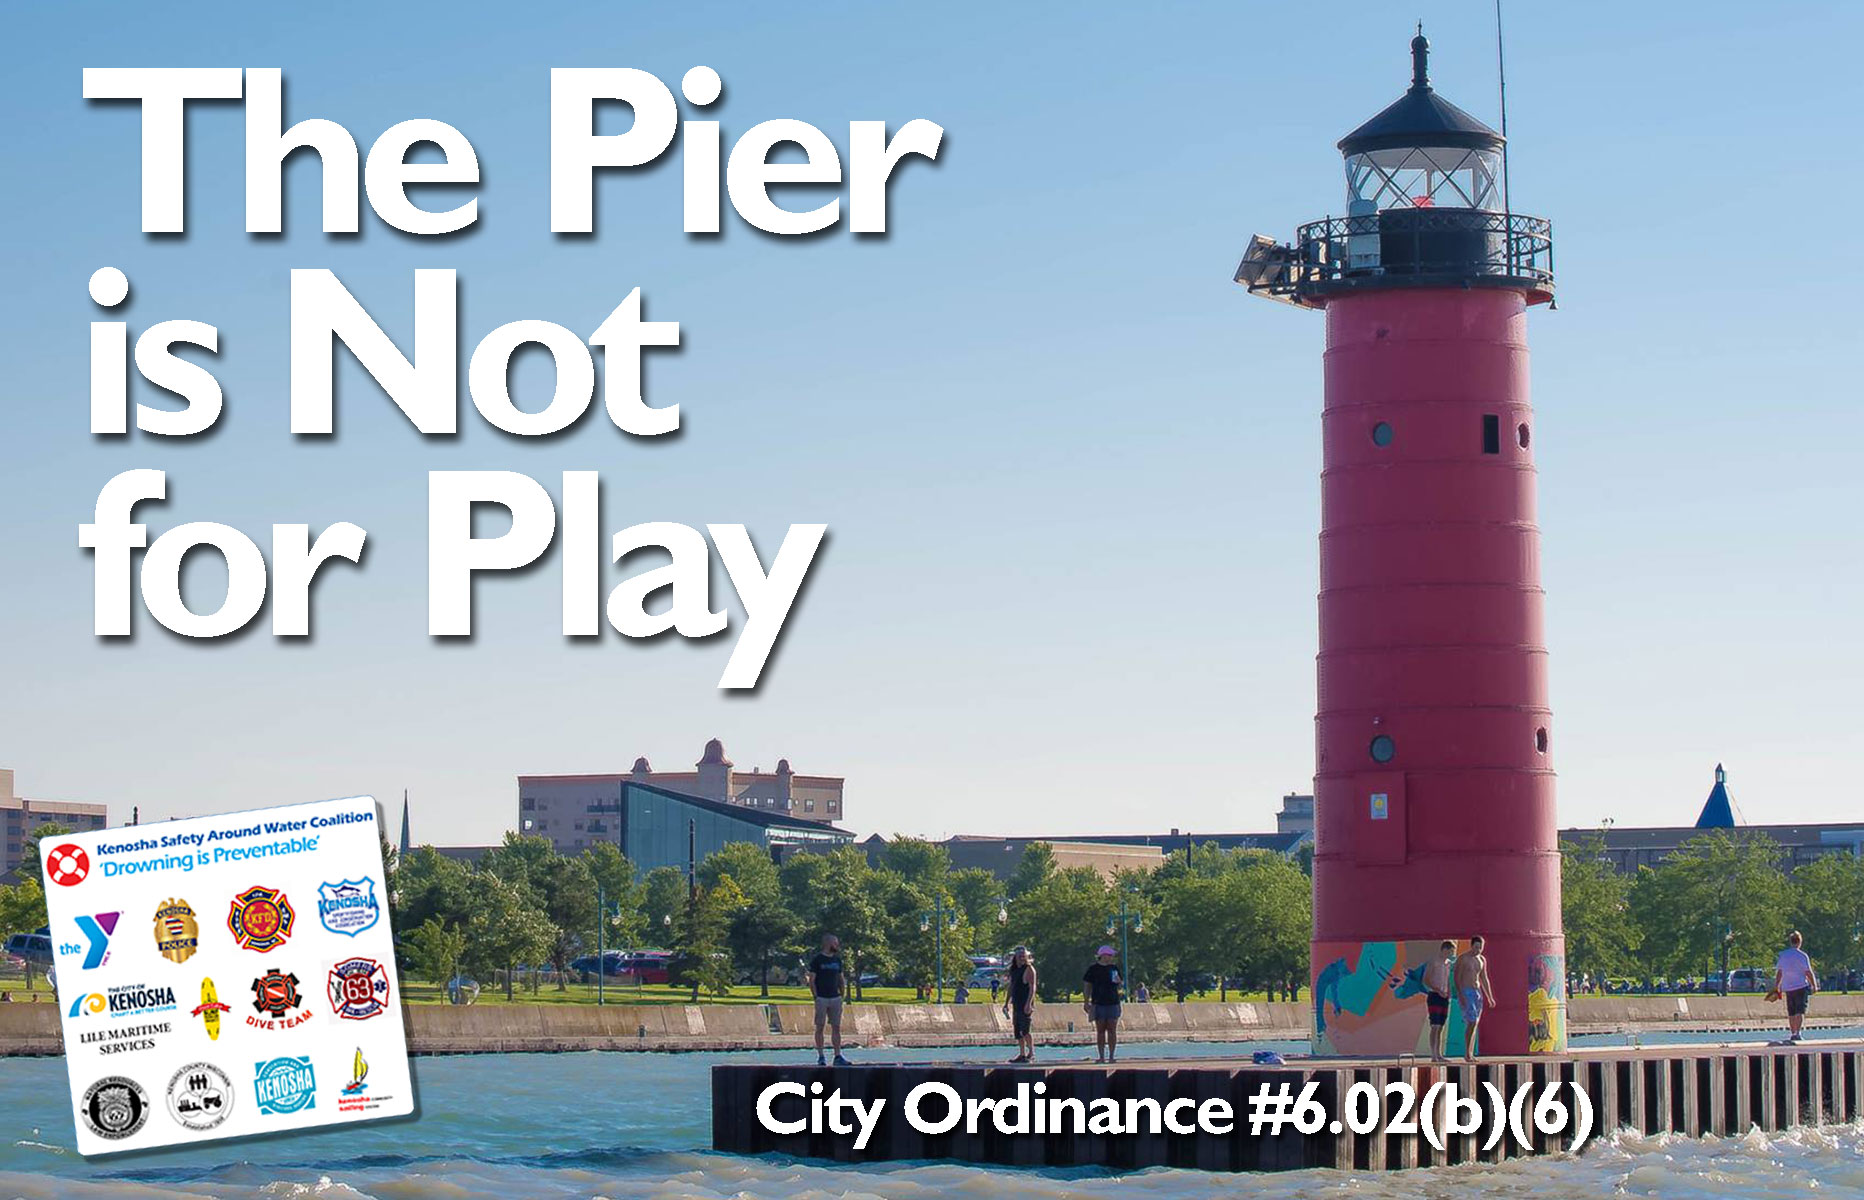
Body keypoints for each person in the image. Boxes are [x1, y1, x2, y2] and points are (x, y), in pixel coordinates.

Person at [809, 934, 850, 1066]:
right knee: (820, 1027)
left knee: (836, 1027)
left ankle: (838, 1056)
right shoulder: (817, 960)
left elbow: (840, 978)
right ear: (828, 943)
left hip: (835, 998)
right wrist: (816, 996)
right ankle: (821, 1056)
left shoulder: (837, 960)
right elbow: (812, 980)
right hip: (822, 998)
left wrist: (842, 995)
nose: (837, 946)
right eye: (835, 943)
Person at [1452, 934, 1494, 1061]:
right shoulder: (1463, 958)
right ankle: (1467, 1053)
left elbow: (1484, 978)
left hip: (1477, 992)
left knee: (1475, 1023)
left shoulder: (1481, 960)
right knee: (1472, 1021)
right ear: (1471, 945)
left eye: (1480, 948)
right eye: (1476, 947)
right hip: (1466, 991)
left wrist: (1489, 996)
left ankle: (1470, 1052)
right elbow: (1457, 977)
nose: (1478, 950)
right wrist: (1460, 994)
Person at [1772, 930, 1817, 1043]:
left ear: (1790, 941)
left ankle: (1792, 1033)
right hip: (1801, 986)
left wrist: (1777, 986)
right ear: (1800, 942)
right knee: (1800, 1010)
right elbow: (1808, 972)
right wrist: (1814, 985)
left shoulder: (1783, 955)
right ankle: (1798, 1033)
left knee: (1791, 1011)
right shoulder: (1802, 956)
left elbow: (1779, 972)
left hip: (1788, 987)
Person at [1082, 945, 1124, 1063]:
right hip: (1098, 1002)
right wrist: (1086, 1002)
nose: (1111, 957)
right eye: (1109, 955)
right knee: (1100, 1030)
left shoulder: (1114, 968)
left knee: (1112, 1029)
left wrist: (1119, 982)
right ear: (1103, 955)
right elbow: (1087, 986)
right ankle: (1101, 1056)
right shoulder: (1093, 969)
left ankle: (1111, 1056)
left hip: (1113, 1002)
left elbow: (1120, 984)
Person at [1422, 940, 1455, 1062]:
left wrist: (1448, 992)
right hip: (1434, 995)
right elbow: (1426, 979)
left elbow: (1447, 979)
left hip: (1444, 996)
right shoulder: (1433, 962)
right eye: (1450, 951)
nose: (1451, 954)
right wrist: (1438, 990)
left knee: (1441, 1026)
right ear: (1444, 950)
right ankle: (1433, 1054)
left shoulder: (1448, 963)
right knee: (1435, 1025)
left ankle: (1439, 1053)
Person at [1003, 946, 1037, 1063]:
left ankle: (1031, 1053)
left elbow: (1032, 987)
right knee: (1018, 1031)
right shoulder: (1014, 969)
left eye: (1024, 956)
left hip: (1025, 1002)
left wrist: (1029, 1003)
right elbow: (1011, 986)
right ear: (1015, 957)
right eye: (1019, 956)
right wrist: (1006, 1003)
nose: (1022, 958)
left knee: (1026, 1030)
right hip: (1016, 1003)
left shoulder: (1029, 969)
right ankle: (1022, 1054)